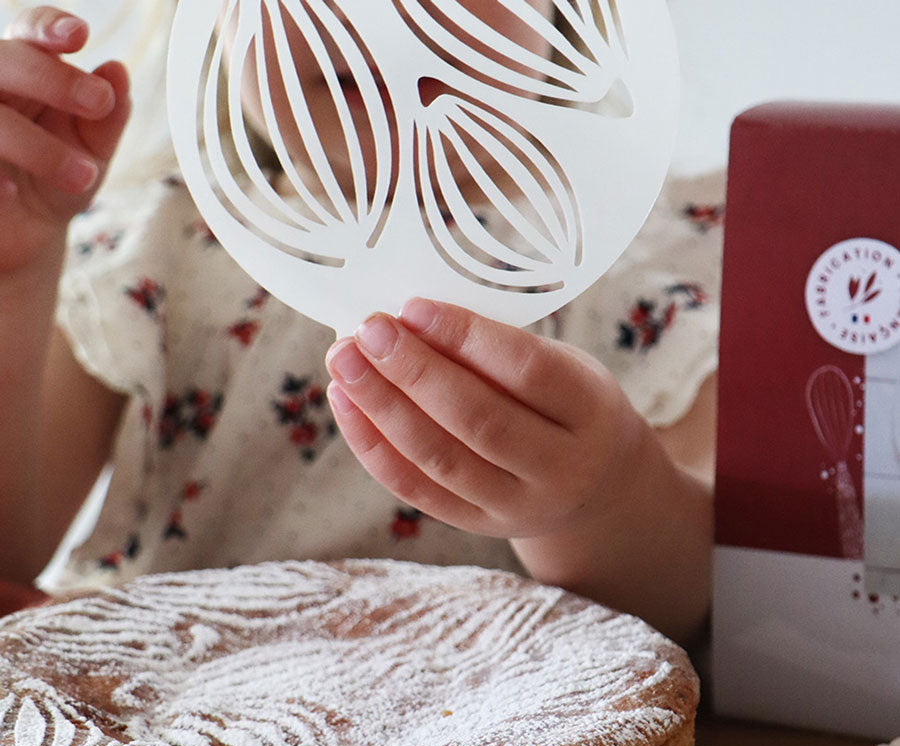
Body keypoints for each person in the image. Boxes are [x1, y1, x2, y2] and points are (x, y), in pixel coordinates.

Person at [0, 4, 722, 647]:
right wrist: (16, 271)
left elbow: (710, 605)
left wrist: (606, 493)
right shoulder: (156, 248)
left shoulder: (651, 272)